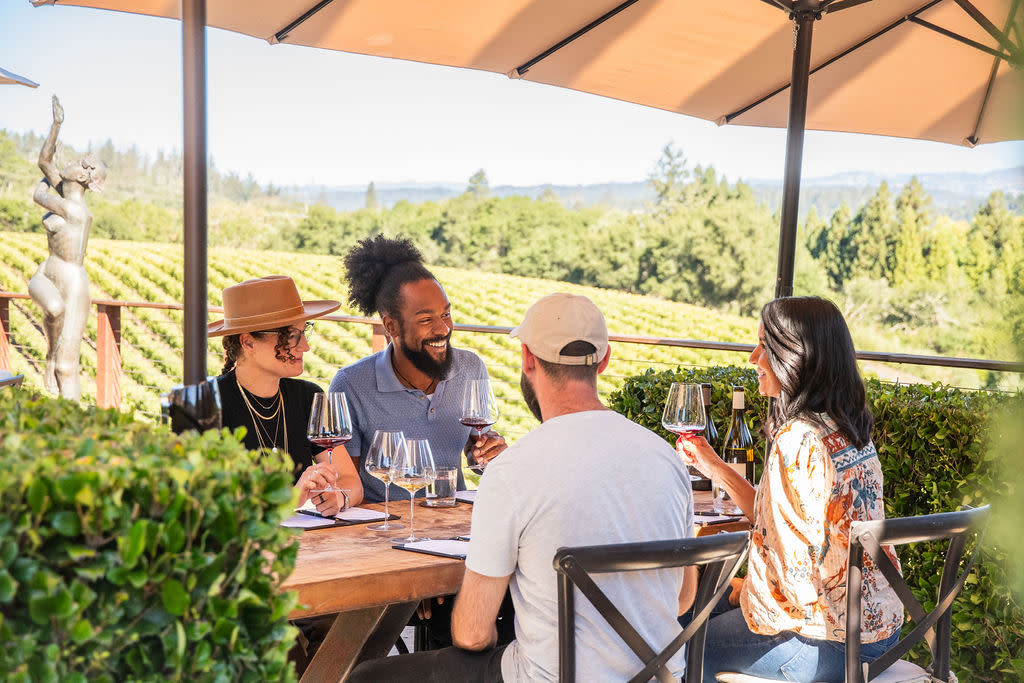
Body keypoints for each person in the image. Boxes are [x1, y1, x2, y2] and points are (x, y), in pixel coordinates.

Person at [349, 293, 696, 682]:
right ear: (605, 359)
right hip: (659, 677)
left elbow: (472, 633)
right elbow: (683, 597)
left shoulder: (514, 471)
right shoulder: (666, 457)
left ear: (527, 358)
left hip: (545, 678)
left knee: (368, 677)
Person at [678, 296, 903, 683]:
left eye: (764, 345)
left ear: (795, 355)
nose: (753, 358)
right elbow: (777, 519)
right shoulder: (848, 429)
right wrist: (714, 466)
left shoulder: (795, 440)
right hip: (880, 631)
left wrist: (736, 592)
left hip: (821, 646)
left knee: (672, 644)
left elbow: (789, 586)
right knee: (699, 603)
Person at [328, 234, 507, 502]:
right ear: (391, 326)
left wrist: (486, 456)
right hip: (382, 531)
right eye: (426, 319)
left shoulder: (471, 368)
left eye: (446, 314)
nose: (443, 329)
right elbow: (347, 486)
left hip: (450, 525)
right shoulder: (350, 385)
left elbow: (475, 447)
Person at [208, 275, 364, 514]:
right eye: (291, 336)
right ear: (248, 343)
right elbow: (206, 504)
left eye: (304, 333)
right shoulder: (204, 404)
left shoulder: (309, 397)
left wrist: (339, 497)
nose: (305, 346)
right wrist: (289, 499)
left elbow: (351, 482)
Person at [28, 95, 106, 401]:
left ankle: (69, 420)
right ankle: (49, 356)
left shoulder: (73, 209)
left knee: (66, 365)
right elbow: (44, 161)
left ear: (85, 176)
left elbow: (38, 193)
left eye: (81, 162)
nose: (73, 161)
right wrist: (56, 124)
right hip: (49, 270)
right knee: (52, 309)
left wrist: (46, 182)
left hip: (73, 282)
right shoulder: (65, 195)